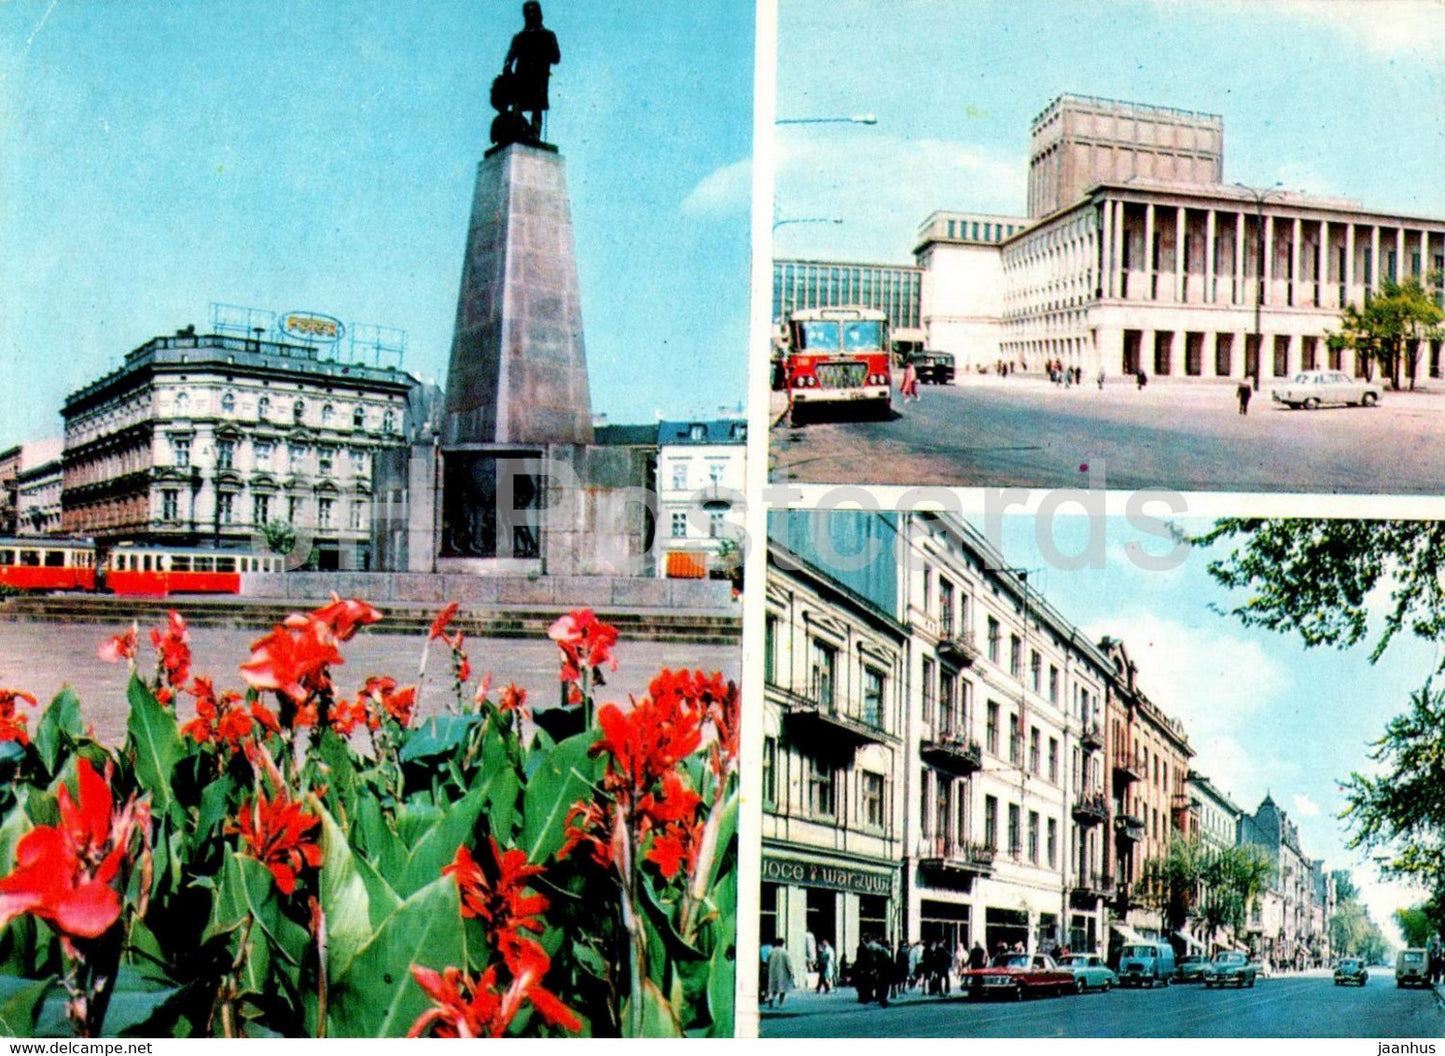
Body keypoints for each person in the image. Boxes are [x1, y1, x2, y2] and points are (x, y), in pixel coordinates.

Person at [503, 2, 561, 139]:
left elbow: (556, 57)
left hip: (538, 77)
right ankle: (515, 133)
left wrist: (543, 53)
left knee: (537, 108)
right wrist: (507, 66)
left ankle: (535, 137)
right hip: (521, 77)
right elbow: (510, 57)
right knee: (517, 107)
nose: (530, 15)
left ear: (539, 14)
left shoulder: (548, 35)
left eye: (532, 11)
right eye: (527, 12)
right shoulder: (520, 37)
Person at [765, 936, 795, 1008]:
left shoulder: (771, 951)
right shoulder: (785, 952)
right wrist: (792, 972)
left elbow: (767, 961)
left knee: (773, 988)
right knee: (782, 990)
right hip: (783, 973)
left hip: (772, 972)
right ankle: (780, 1004)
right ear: (782, 944)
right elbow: (789, 964)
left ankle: (771, 998)